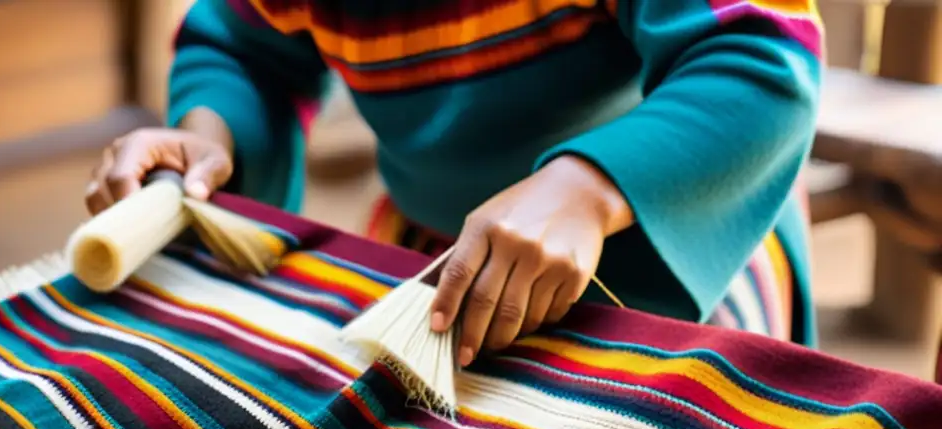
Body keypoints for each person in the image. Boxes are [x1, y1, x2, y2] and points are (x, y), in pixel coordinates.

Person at [86, 0, 822, 367]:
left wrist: (584, 193)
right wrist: (209, 134)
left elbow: (759, 50)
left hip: (660, 239)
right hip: (436, 262)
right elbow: (246, 49)